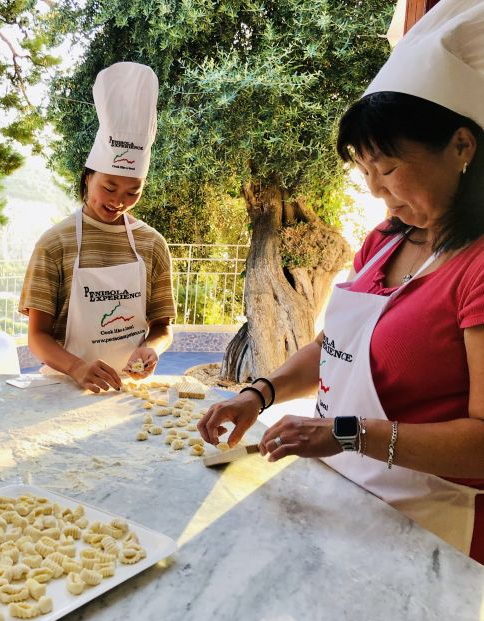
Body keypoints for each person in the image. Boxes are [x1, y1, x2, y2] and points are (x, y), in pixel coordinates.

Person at [198, 0, 484, 564]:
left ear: (461, 148)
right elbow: (337, 352)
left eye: (390, 168)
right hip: (345, 500)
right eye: (367, 174)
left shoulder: (476, 268)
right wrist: (260, 393)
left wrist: (348, 433)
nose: (378, 192)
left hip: (430, 530)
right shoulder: (386, 241)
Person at [19, 62, 176, 393]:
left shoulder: (152, 244)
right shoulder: (55, 243)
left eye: (132, 192)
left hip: (129, 391)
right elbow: (37, 337)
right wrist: (77, 368)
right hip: (64, 387)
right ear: (89, 177)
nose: (119, 200)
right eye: (109, 187)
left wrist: (152, 348)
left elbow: (161, 326)